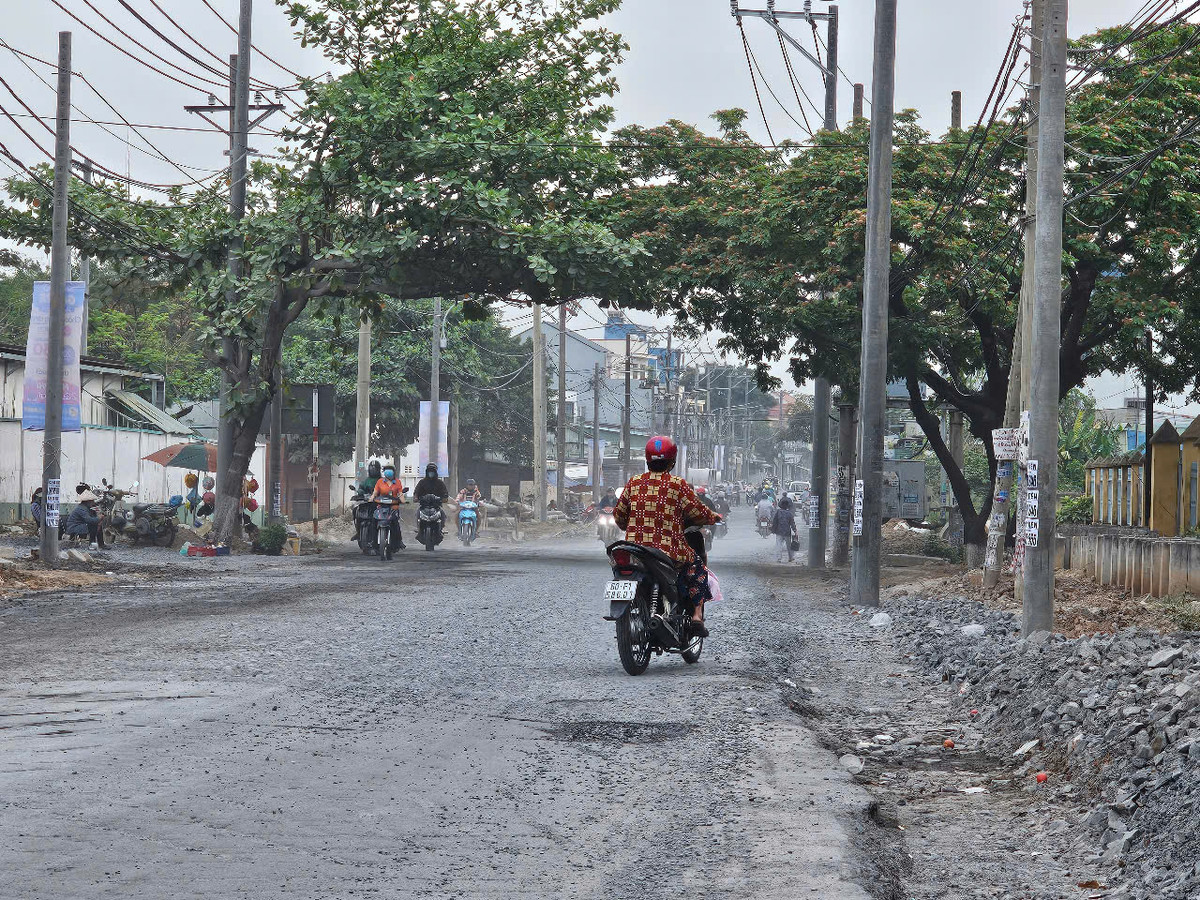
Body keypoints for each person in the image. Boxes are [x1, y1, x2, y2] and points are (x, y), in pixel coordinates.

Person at [612, 436, 722, 637]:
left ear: (647, 460)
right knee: (697, 568)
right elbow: (698, 511)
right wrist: (713, 517)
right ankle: (697, 616)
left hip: (634, 549)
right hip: (668, 549)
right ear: (672, 461)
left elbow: (619, 516)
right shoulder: (677, 484)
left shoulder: (633, 483)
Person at [370, 464, 408, 550]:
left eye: (390, 470)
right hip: (381, 506)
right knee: (374, 522)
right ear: (384, 472)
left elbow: (400, 493)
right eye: (386, 470)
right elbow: (375, 492)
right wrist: (371, 499)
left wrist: (402, 500)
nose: (388, 472)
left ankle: (398, 541)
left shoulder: (397, 482)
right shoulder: (380, 482)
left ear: (394, 472)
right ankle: (373, 541)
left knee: (396, 524)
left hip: (393, 507)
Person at [352, 460, 384, 543]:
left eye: (375, 469)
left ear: (378, 470)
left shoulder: (383, 481)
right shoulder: (366, 481)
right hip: (367, 503)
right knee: (355, 510)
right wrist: (360, 492)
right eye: (371, 468)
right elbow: (361, 488)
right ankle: (358, 531)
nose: (373, 470)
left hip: (379, 504)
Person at [772, 496, 800, 563]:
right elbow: (792, 523)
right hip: (787, 532)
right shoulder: (789, 514)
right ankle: (791, 558)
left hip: (779, 531)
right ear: (787, 506)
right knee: (789, 546)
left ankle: (778, 559)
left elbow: (774, 521)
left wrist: (773, 530)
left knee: (779, 545)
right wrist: (795, 531)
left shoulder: (778, 512)